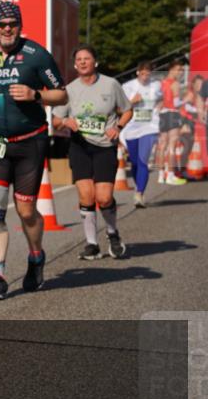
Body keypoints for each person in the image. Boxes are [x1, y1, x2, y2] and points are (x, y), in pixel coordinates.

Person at [0, 1, 67, 300]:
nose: (7, 29)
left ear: (20, 25)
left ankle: (36, 256)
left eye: (13, 24)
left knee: (26, 210)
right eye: (2, 24)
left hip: (29, 142)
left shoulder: (37, 56)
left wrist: (36, 94)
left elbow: (61, 93)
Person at [52, 45, 132, 259]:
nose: (83, 62)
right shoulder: (69, 89)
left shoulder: (111, 84)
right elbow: (56, 120)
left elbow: (127, 110)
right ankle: (91, 243)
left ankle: (113, 233)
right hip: (79, 146)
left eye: (87, 58)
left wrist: (118, 128)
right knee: (86, 195)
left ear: (95, 62)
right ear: (74, 64)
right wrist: (66, 121)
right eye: (79, 59)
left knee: (104, 197)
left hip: (105, 146)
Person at [121, 61, 162, 207]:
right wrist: (132, 101)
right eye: (142, 73)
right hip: (131, 127)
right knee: (135, 162)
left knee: (143, 160)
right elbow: (120, 108)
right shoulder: (128, 86)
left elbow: (162, 99)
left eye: (148, 73)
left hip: (149, 127)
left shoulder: (156, 85)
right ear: (138, 72)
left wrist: (159, 107)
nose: (145, 76)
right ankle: (139, 186)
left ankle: (139, 193)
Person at [156, 59, 187, 185]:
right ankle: (170, 174)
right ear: (172, 69)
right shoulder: (175, 84)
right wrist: (186, 100)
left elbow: (159, 101)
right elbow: (175, 103)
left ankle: (161, 174)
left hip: (162, 114)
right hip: (173, 114)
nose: (180, 73)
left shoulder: (161, 83)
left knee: (162, 145)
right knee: (172, 146)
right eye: (179, 70)